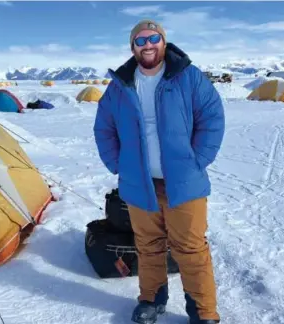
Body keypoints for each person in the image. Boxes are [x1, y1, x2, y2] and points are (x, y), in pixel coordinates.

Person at [93, 19, 224, 324]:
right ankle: (151, 299)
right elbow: (104, 128)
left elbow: (212, 118)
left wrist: (197, 159)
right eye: (140, 40)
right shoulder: (120, 86)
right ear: (133, 47)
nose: (147, 45)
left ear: (163, 42)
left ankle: (203, 313)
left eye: (153, 38)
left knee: (191, 248)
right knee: (148, 247)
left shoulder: (188, 77)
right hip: (141, 183)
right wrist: (119, 164)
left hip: (184, 182)